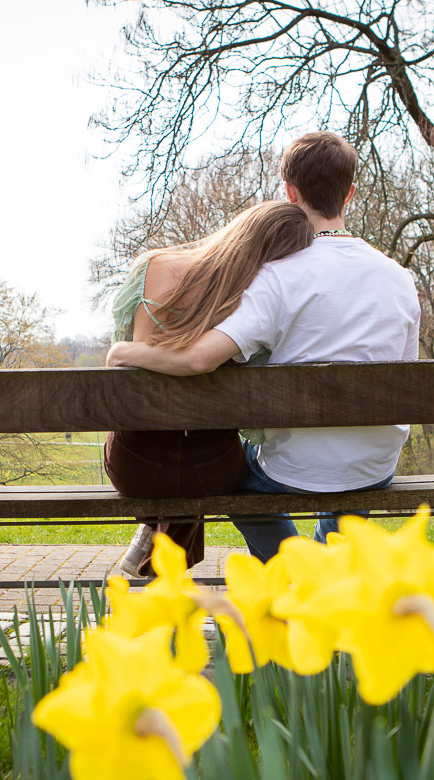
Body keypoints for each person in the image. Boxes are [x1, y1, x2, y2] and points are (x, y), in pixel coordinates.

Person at [107, 132, 422, 563]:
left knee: (237, 475)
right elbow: (405, 378)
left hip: (294, 471)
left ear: (290, 192)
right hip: (375, 466)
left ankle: (289, 572)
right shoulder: (400, 279)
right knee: (352, 465)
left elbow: (201, 358)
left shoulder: (276, 276)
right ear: (349, 194)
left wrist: (128, 353)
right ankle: (322, 574)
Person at [107, 200, 313, 576]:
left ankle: (154, 534)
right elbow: (253, 420)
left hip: (134, 467)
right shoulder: (253, 304)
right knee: (203, 453)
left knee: (174, 447)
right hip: (213, 472)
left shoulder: (152, 266)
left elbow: (124, 376)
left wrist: (128, 351)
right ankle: (162, 550)